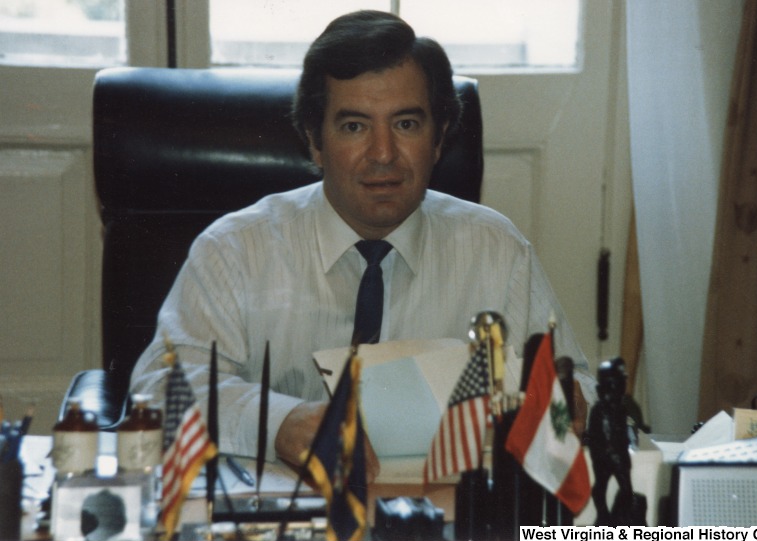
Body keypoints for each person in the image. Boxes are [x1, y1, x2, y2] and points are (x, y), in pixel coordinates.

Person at [130, 10, 595, 481]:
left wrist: (572, 403)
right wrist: (280, 422)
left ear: (438, 140)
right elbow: (160, 385)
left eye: (407, 125)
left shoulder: (496, 251)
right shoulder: (235, 250)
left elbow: (580, 386)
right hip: (282, 512)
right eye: (354, 126)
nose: (383, 154)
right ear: (315, 141)